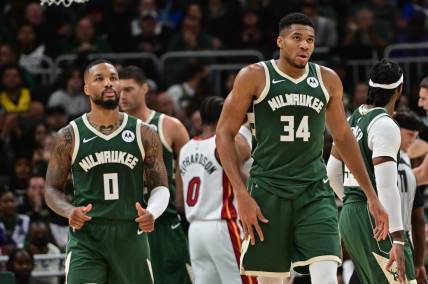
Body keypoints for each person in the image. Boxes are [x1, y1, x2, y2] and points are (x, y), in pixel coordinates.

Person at [215, 13, 389, 284]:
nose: (305, 45)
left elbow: (343, 137)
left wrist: (371, 195)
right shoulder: (254, 76)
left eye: (310, 40)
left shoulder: (327, 79)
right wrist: (240, 193)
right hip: (268, 190)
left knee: (327, 275)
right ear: (280, 41)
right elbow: (224, 133)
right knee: (271, 280)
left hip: (314, 191)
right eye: (297, 38)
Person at [44, 59, 170, 284]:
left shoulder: (145, 133)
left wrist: (153, 211)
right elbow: (51, 188)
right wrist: (68, 210)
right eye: (99, 79)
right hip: (87, 236)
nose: (109, 83)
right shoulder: (69, 135)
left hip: (130, 233)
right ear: (86, 88)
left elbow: (160, 185)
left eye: (113, 78)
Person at [326, 59, 409, 283]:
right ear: (399, 90)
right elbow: (386, 186)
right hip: (376, 219)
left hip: (349, 216)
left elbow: (332, 171)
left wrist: (351, 200)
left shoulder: (351, 120)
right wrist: (398, 239)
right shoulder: (384, 124)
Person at [119, 65, 192, 284]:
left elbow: (191, 168)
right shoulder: (109, 130)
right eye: (119, 90)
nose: (122, 95)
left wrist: (182, 203)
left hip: (164, 222)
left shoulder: (169, 126)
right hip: (126, 223)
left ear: (144, 89)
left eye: (129, 89)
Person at [178, 96, 255, 284]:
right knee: (242, 280)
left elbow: (179, 200)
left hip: (195, 229)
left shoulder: (186, 148)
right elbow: (244, 177)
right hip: (222, 224)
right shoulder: (226, 143)